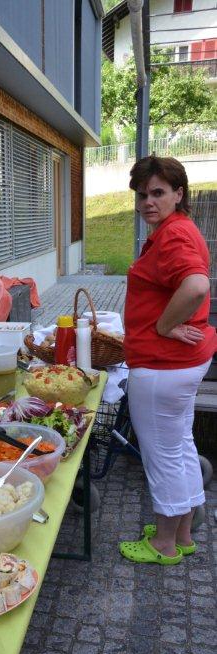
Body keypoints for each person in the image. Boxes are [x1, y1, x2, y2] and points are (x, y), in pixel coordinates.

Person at [119, 155, 216, 566]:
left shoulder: (174, 234)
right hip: (180, 363)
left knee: (162, 456)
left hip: (163, 365)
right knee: (179, 447)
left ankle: (163, 544)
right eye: (142, 194)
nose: (147, 202)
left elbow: (196, 285)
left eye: (157, 192)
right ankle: (182, 534)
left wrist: (163, 325)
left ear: (179, 193)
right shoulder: (177, 228)